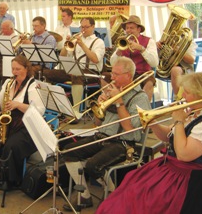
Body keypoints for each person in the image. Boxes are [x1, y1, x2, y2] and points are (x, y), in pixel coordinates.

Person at [97, 72, 202, 214]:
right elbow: (168, 137)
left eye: (187, 92)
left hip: (190, 180)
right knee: (131, 188)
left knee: (142, 200)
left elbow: (184, 154)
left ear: (200, 94)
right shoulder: (194, 112)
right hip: (173, 170)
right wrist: (152, 122)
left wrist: (178, 121)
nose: (183, 96)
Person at [62, 57, 151, 211]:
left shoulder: (140, 97)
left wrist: (118, 102)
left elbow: (130, 129)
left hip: (123, 142)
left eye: (116, 74)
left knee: (92, 166)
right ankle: (84, 195)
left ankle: (112, 194)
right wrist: (101, 105)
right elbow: (97, 123)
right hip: (102, 136)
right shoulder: (111, 90)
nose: (112, 77)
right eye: (112, 73)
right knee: (68, 151)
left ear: (129, 75)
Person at [0, 55, 45, 186]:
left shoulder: (34, 86)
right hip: (8, 119)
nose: (15, 72)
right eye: (13, 69)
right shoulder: (8, 83)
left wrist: (18, 105)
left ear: (26, 69)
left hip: (26, 124)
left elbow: (39, 110)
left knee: (10, 146)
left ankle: (8, 180)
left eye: (18, 69)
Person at [44, 17, 105, 107]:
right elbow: (62, 56)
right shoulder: (76, 41)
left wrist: (82, 45)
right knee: (48, 73)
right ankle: (51, 105)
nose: (83, 30)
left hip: (92, 73)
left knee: (76, 76)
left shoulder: (99, 42)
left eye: (86, 27)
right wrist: (67, 43)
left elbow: (95, 59)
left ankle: (75, 111)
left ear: (93, 27)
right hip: (75, 71)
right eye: (81, 27)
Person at [110, 15, 158, 101]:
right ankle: (116, 105)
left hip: (143, 74)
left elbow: (154, 63)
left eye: (131, 28)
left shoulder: (149, 41)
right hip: (126, 74)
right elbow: (112, 63)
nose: (128, 31)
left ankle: (144, 108)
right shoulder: (122, 41)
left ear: (139, 29)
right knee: (104, 77)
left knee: (150, 83)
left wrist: (141, 49)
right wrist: (118, 52)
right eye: (127, 28)